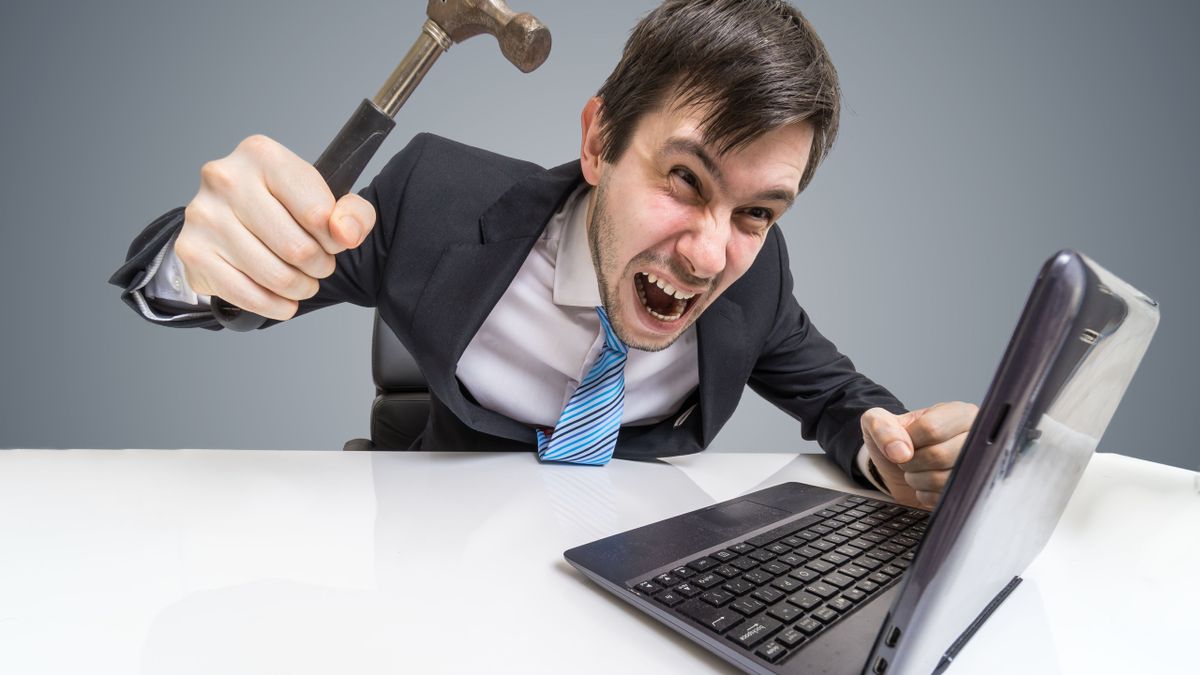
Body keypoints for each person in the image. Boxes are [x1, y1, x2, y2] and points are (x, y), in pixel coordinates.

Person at [110, 0, 976, 509]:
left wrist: (897, 452)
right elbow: (234, 285)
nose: (711, 252)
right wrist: (204, 257)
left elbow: (840, 399)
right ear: (599, 142)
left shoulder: (758, 278)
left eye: (755, 211)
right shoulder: (435, 204)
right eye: (684, 180)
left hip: (636, 592)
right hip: (440, 592)